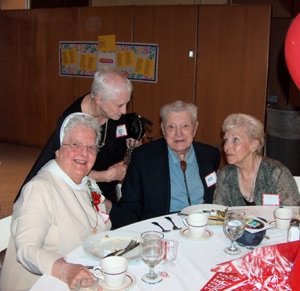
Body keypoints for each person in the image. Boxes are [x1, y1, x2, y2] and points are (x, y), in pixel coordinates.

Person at [0, 113, 111, 290]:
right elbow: (27, 249)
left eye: (91, 147)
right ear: (58, 150)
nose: (84, 153)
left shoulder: (88, 183)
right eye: (75, 144)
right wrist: (65, 270)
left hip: (83, 276)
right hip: (40, 283)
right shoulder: (39, 189)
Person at [15, 68, 151, 208]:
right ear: (99, 99)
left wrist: (128, 150)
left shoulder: (113, 113)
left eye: (126, 103)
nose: (124, 111)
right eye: (120, 105)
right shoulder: (72, 123)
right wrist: (105, 175)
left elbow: (117, 140)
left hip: (109, 186)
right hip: (76, 189)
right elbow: (65, 171)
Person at [109, 100, 221, 229]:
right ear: (163, 129)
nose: (178, 133)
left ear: (195, 128)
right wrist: (109, 208)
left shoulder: (210, 155)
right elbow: (131, 205)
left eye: (185, 126)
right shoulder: (144, 158)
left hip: (202, 226)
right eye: (171, 127)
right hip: (162, 229)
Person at [213, 113, 300, 207]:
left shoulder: (276, 173)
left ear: (254, 145)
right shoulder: (225, 175)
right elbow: (219, 214)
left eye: (236, 140)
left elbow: (293, 212)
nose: (226, 146)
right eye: (226, 140)